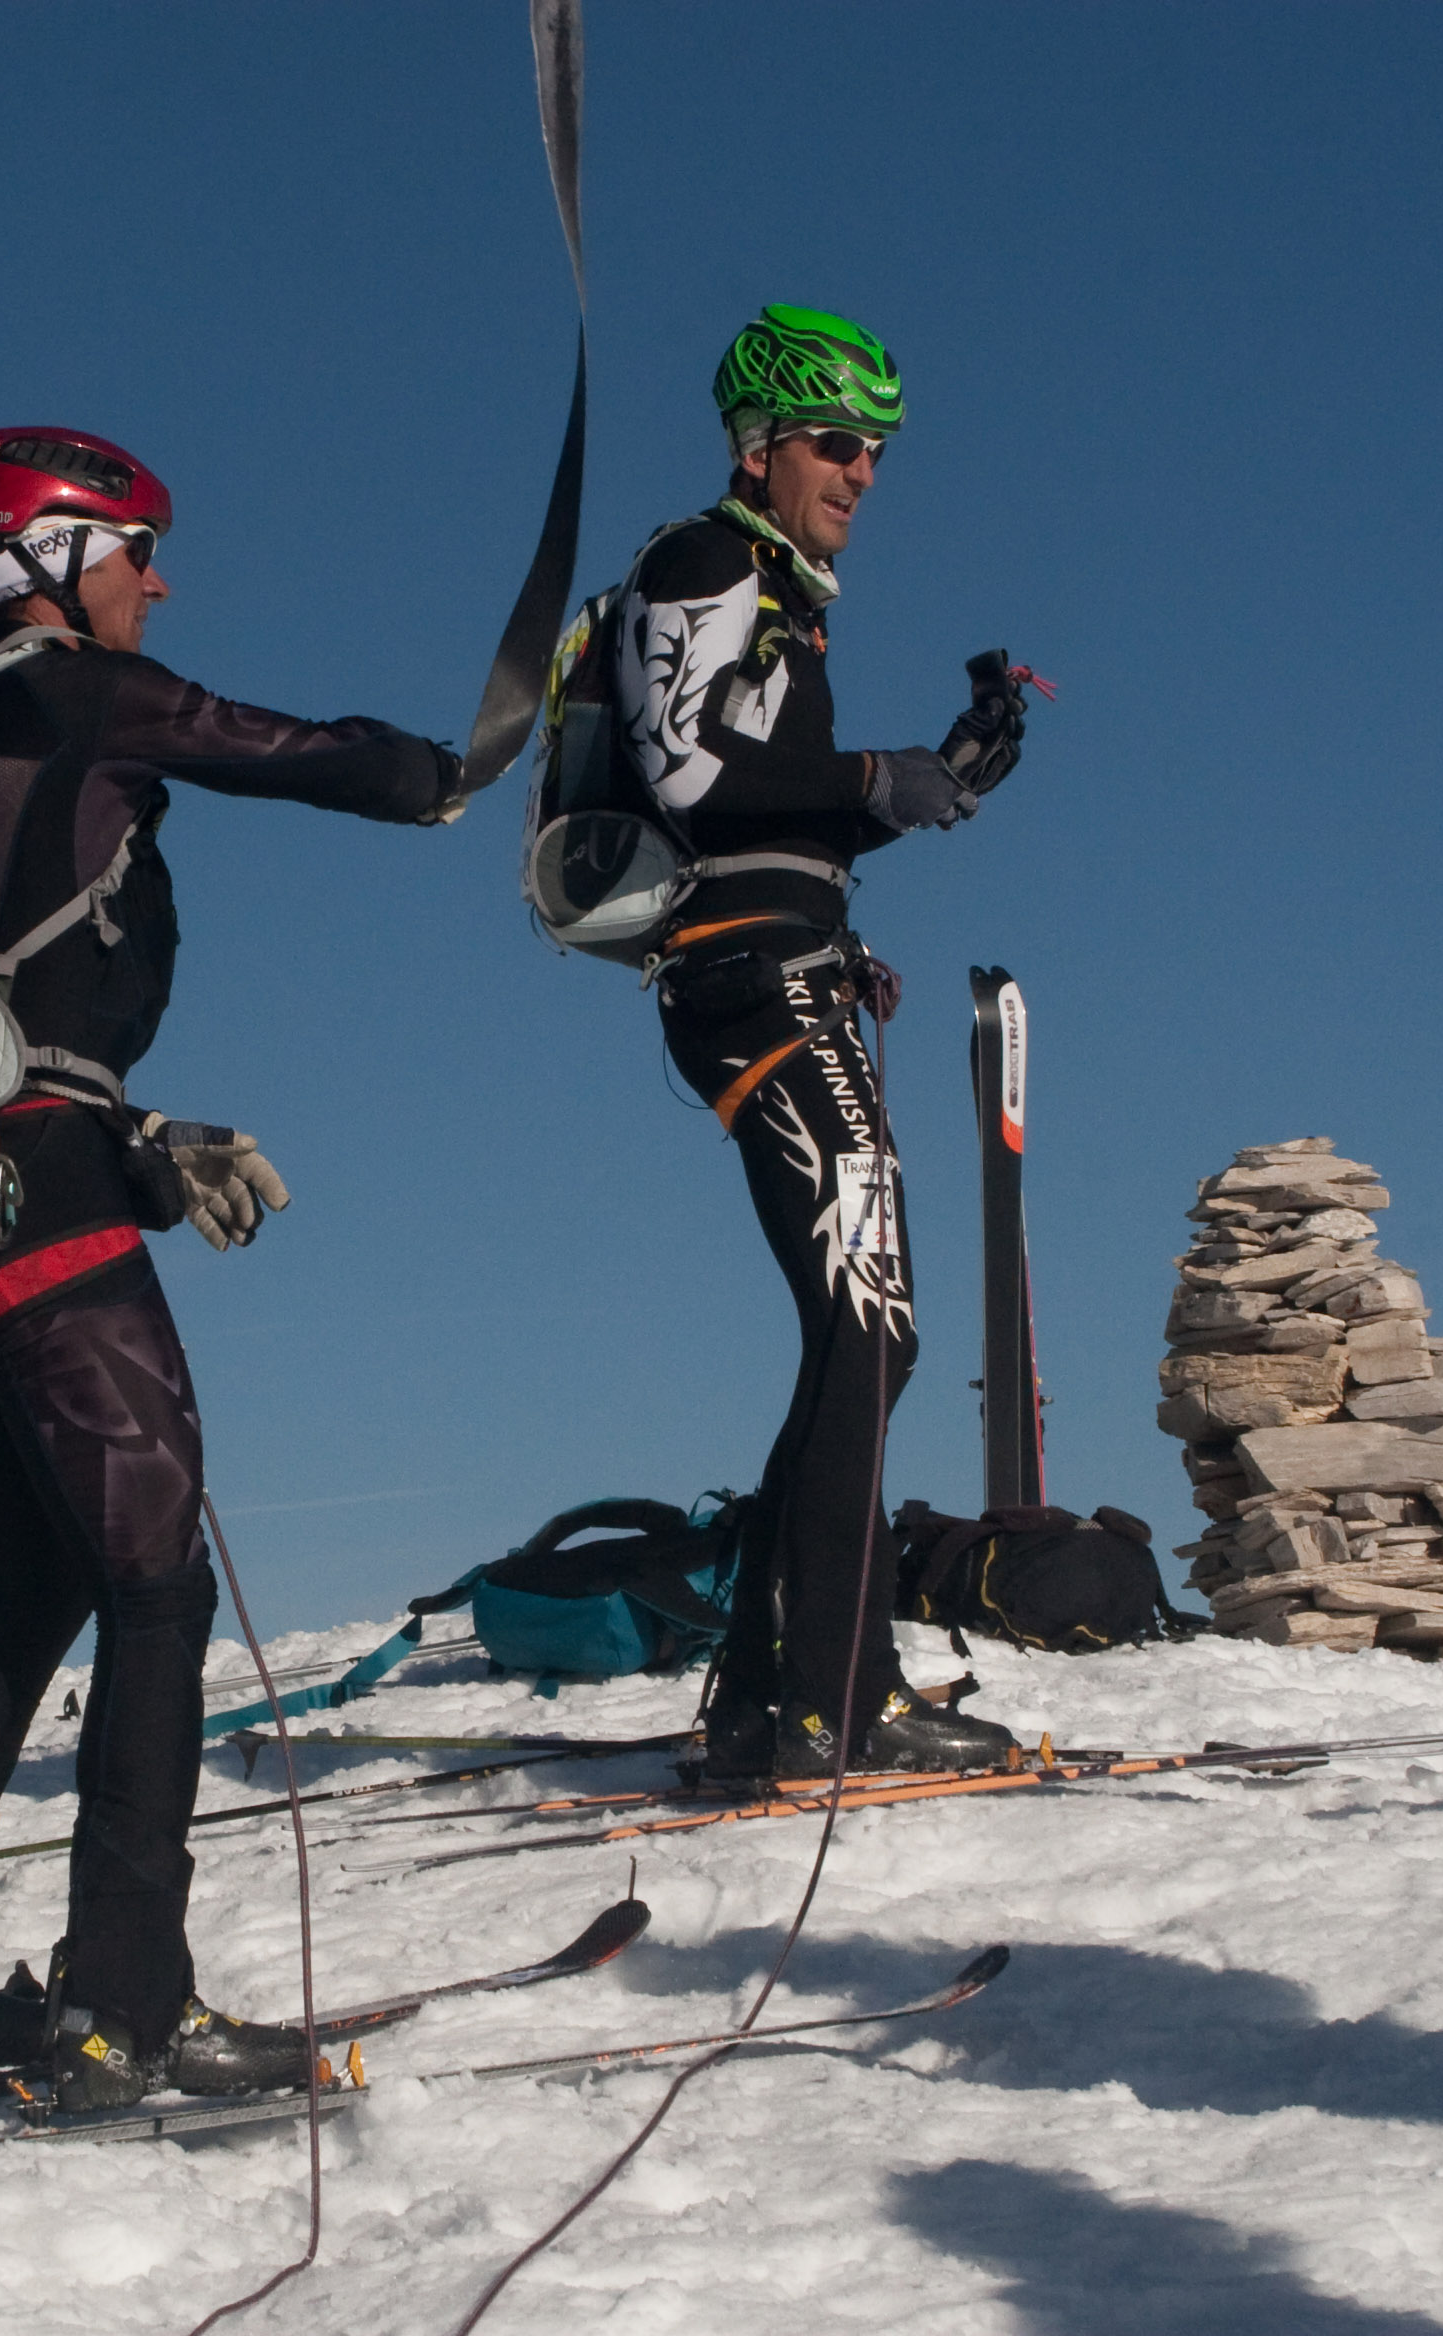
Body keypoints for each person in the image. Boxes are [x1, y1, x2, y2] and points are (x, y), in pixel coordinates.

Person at [0, 426, 462, 2110]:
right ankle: (124, 2005)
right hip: (21, 1188)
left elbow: (5, 1017)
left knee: (28, 1588)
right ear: (44, 557)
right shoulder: (62, 693)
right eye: (132, 550)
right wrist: (448, 760)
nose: (155, 581)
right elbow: (310, 756)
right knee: (154, 1588)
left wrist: (142, 1139)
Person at [606, 305, 1037, 1782]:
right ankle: (831, 1704)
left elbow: (770, 801)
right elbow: (690, 767)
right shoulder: (705, 560)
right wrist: (875, 775)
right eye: (839, 444)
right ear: (762, 445)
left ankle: (765, 1694)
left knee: (861, 1331)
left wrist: (942, 779)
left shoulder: (778, 590)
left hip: (783, 971)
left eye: (878, 450)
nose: (864, 473)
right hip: (748, 985)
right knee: (871, 1326)